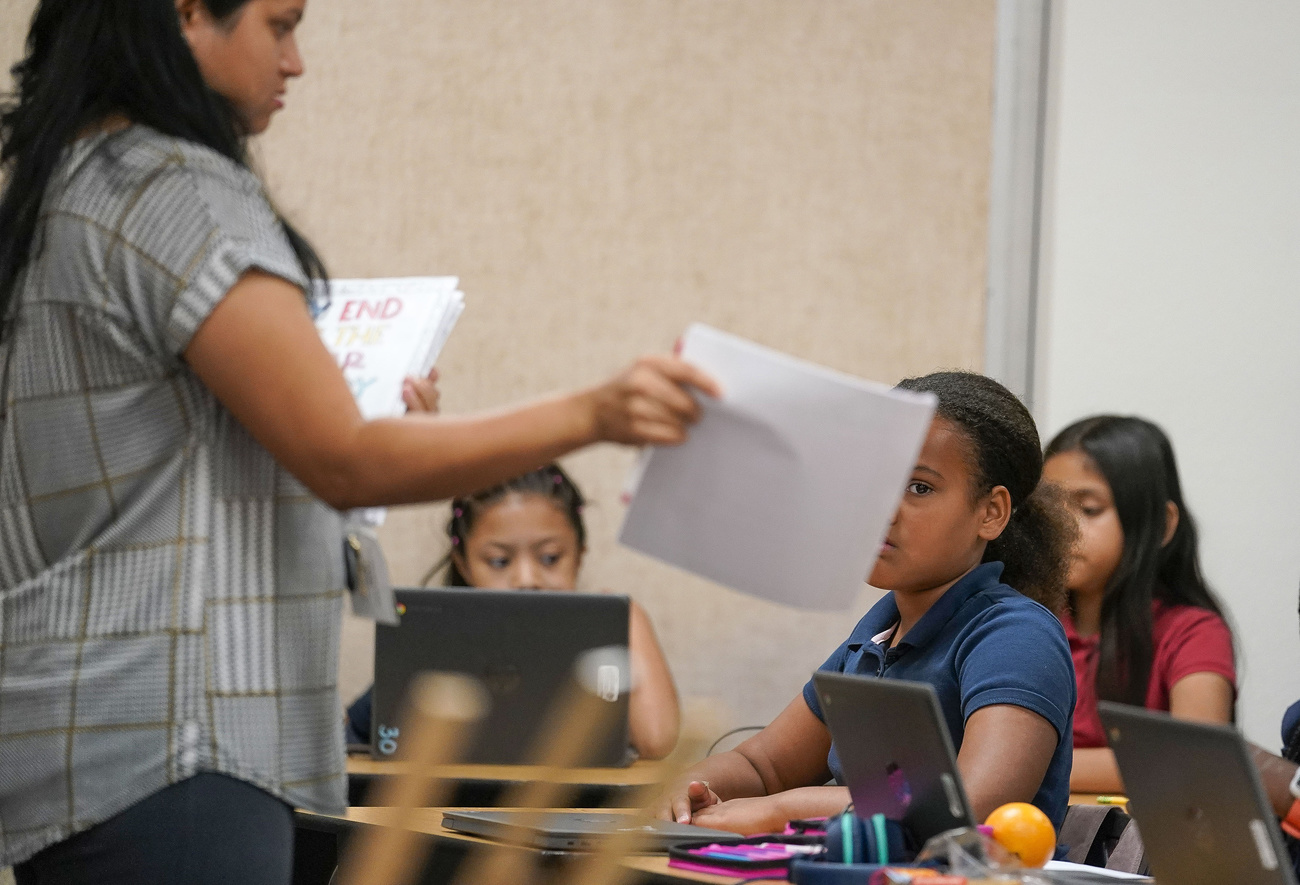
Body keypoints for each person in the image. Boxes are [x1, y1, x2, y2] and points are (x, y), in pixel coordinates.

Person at [0, 1, 718, 882]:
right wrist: (594, 412)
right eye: (279, 23)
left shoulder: (63, 187)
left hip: (76, 740)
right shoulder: (173, 188)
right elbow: (339, 455)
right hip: (181, 747)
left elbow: (180, 475)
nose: (295, 61)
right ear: (187, 12)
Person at [654, 371, 1078, 836]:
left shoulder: (1016, 635)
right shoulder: (874, 636)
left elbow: (972, 807)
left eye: (919, 487)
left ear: (990, 512)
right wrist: (688, 784)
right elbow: (763, 767)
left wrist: (783, 810)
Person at [345, 463, 681, 759]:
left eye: (550, 557)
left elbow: (657, 740)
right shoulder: (438, 636)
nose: (526, 579)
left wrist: (625, 620)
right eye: (499, 561)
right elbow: (357, 731)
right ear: (463, 565)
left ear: (579, 554)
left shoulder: (610, 629)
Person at [1042, 416, 1235, 794]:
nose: (1062, 528)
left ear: (1161, 525)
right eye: (1050, 508)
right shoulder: (1030, 622)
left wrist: (1022, 761)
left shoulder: (1193, 632)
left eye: (1089, 509)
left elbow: (1196, 759)